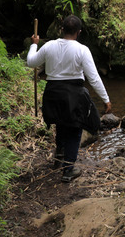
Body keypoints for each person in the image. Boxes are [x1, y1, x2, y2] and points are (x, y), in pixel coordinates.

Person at [27, 15, 112, 182]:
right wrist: (106, 99)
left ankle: (59, 153)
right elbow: (93, 78)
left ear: (61, 29)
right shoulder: (82, 50)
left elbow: (30, 62)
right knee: (74, 128)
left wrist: (34, 45)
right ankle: (68, 170)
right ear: (78, 32)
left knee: (60, 122)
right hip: (73, 94)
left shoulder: (49, 46)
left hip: (52, 92)